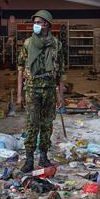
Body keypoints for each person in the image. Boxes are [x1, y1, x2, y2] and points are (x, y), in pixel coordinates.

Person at [17, 10, 66, 172]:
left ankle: (43, 157)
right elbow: (20, 69)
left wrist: (61, 95)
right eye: (35, 22)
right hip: (32, 88)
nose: (36, 25)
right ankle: (29, 159)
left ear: (47, 24)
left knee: (46, 124)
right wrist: (19, 95)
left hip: (50, 89)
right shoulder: (27, 44)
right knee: (32, 124)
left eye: (39, 22)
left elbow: (61, 72)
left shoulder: (56, 45)